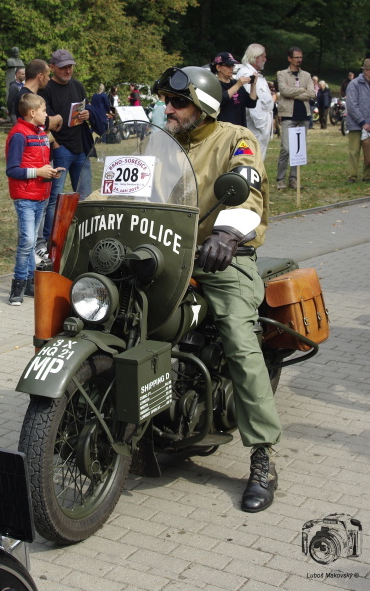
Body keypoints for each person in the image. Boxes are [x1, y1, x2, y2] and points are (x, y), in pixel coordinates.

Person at [156, 65, 280, 513]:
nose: (168, 109)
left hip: (222, 257)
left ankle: (263, 454)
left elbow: (246, 188)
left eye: (178, 102)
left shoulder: (235, 138)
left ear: (203, 105)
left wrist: (226, 235)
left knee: (239, 338)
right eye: (167, 102)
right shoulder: (163, 144)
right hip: (164, 254)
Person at [5, 94, 63, 305]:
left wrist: (50, 171)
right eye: (44, 111)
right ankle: (18, 284)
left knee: (31, 243)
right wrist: (38, 172)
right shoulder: (19, 135)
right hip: (25, 197)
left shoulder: (40, 134)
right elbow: (12, 169)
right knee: (27, 241)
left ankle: (30, 282)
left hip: (41, 195)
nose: (46, 115)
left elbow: (39, 164)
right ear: (32, 113)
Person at [39, 49, 93, 243]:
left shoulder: (78, 86)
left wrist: (87, 114)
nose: (68, 70)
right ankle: (49, 239)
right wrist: (57, 145)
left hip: (81, 149)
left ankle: (84, 237)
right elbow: (44, 121)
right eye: (63, 67)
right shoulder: (46, 90)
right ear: (52, 67)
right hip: (62, 149)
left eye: (70, 66)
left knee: (86, 195)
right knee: (55, 198)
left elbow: (82, 113)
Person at [275, 47, 315, 190]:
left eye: (301, 57)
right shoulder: (282, 74)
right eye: (296, 57)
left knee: (299, 150)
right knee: (286, 148)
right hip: (288, 116)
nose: (299, 60)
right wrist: (302, 91)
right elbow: (284, 91)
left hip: (303, 116)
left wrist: (295, 92)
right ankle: (280, 179)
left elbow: (312, 93)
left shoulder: (306, 75)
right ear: (289, 58)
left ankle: (294, 179)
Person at [234, 44, 273, 159]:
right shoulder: (247, 74)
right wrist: (261, 126)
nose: (265, 60)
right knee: (252, 159)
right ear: (256, 57)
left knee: (258, 158)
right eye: (263, 57)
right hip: (255, 126)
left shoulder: (256, 74)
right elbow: (252, 104)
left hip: (261, 124)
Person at [210, 52, 257, 127]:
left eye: (232, 65)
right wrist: (238, 85)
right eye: (228, 65)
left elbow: (251, 103)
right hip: (223, 130)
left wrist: (253, 85)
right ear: (218, 67)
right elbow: (220, 101)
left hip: (240, 129)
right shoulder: (214, 84)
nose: (231, 68)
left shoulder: (236, 83)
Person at [345, 58, 370, 183]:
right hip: (356, 124)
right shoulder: (354, 84)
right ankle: (352, 176)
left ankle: (367, 176)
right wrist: (362, 122)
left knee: (369, 150)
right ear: (366, 71)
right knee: (354, 151)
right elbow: (351, 105)